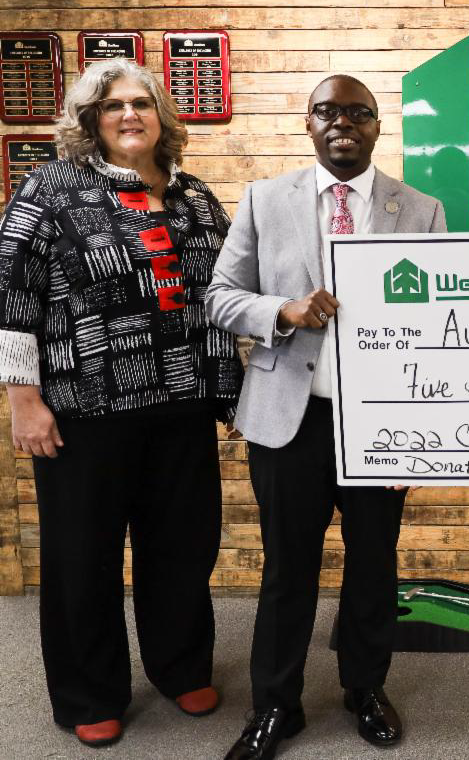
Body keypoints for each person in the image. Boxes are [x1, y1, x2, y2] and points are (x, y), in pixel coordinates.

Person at [0, 58, 242, 747]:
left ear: (163, 116)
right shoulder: (50, 189)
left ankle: (179, 667)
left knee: (182, 550)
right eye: (113, 106)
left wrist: (231, 390)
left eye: (142, 103)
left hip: (182, 407)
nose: (129, 115)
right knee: (83, 558)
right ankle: (89, 693)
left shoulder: (195, 198)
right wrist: (24, 398)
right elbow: (12, 292)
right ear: (90, 121)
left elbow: (221, 297)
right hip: (85, 409)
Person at [206, 74, 446, 760]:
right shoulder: (264, 200)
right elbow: (220, 298)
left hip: (379, 425)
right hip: (290, 419)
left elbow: (436, 328)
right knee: (287, 567)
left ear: (377, 126)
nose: (343, 122)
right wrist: (279, 311)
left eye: (359, 113)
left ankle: (365, 690)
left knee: (374, 564)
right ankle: (275, 707)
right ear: (307, 123)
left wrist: (419, 437)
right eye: (327, 111)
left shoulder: (421, 209)